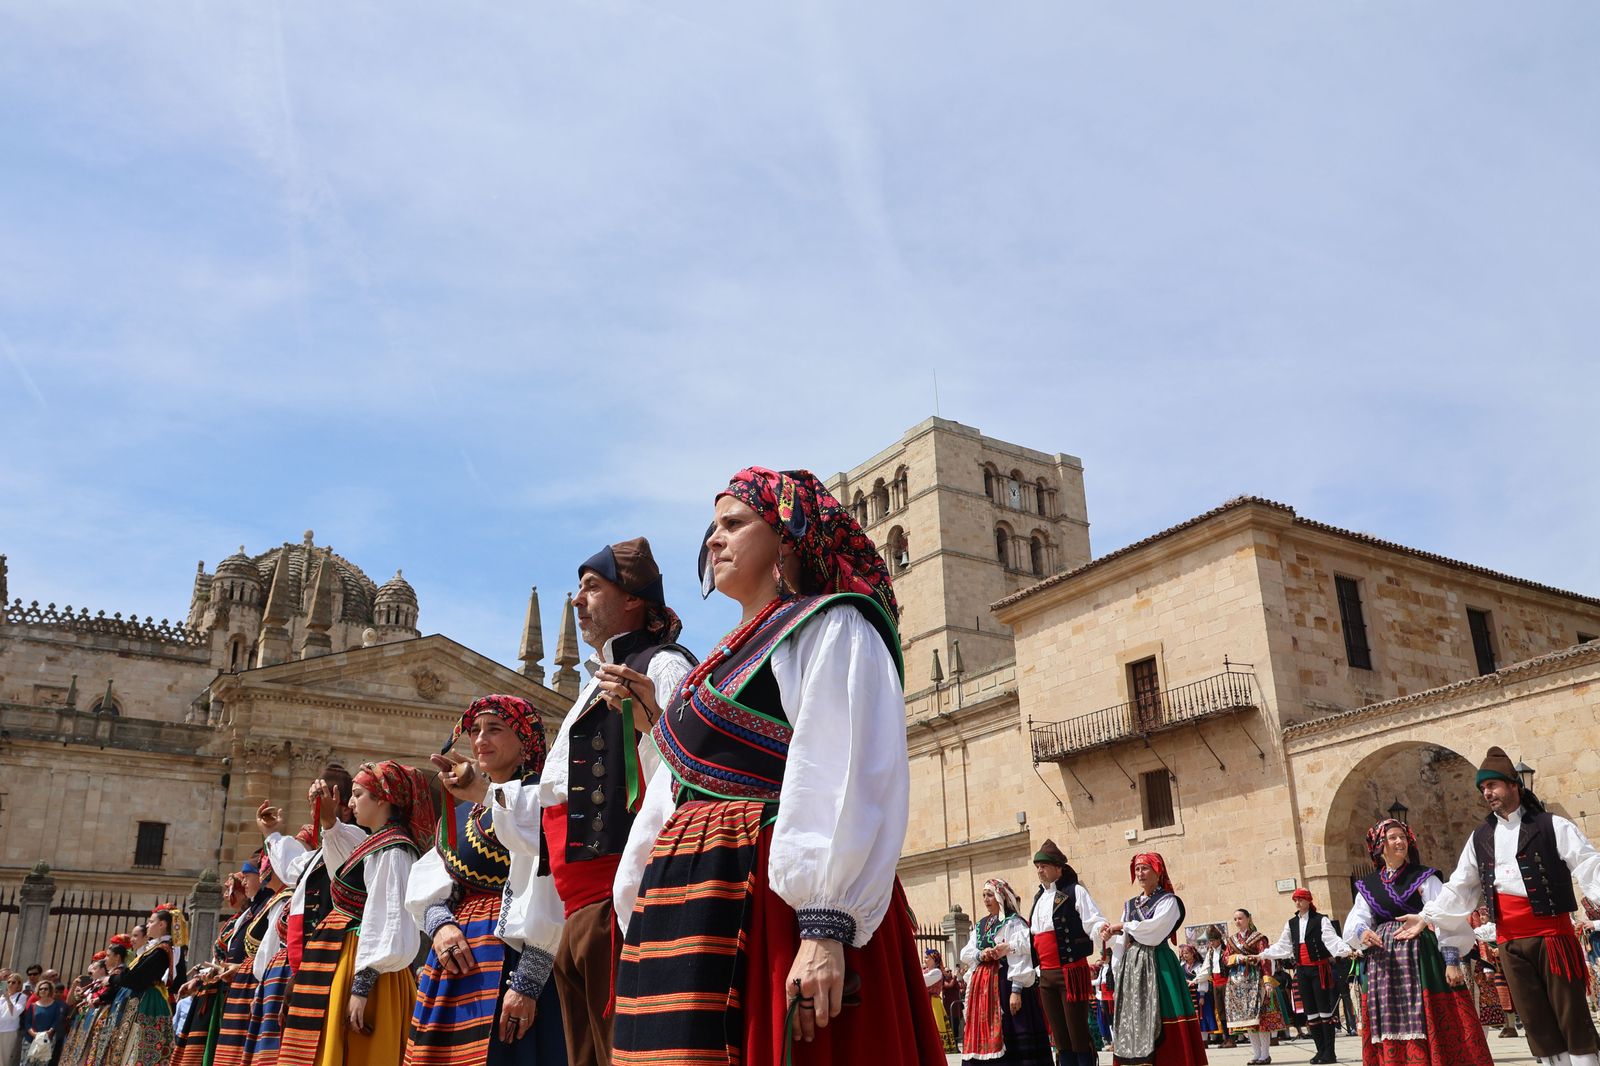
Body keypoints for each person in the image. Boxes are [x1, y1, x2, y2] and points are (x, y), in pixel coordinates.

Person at [611, 467, 944, 1064]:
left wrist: (824, 925)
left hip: (773, 906)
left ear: (786, 538)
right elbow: (674, 795)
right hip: (690, 907)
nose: (714, 539)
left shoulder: (831, 626)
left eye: (734, 524)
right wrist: (636, 900)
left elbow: (841, 773)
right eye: (712, 527)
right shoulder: (719, 658)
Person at [524, 537, 693, 1066]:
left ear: (634, 600)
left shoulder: (661, 666)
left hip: (618, 908)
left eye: (592, 588)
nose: (577, 600)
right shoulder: (595, 682)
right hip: (576, 916)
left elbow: (682, 777)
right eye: (578, 589)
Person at [1399, 746, 1600, 1066]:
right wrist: (1426, 916)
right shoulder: (1480, 838)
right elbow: (1460, 886)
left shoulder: (1552, 826)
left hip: (1552, 937)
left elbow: (1590, 866)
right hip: (1510, 943)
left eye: (1492, 785)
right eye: (1482, 789)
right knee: (1536, 1022)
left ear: (1513, 784)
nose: (1486, 793)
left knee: (1572, 1017)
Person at [408, 695, 565, 1066]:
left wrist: (528, 982)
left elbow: (552, 888)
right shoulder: (463, 810)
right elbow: (432, 879)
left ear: (525, 740)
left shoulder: (539, 799)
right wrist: (440, 924)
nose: (479, 740)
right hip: (456, 962)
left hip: (513, 962)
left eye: (494, 729)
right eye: (475, 730)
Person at [277, 761, 434, 1066]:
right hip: (353, 957)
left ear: (384, 798)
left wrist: (362, 988)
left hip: (372, 971)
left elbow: (389, 921)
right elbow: (340, 864)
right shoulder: (377, 844)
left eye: (358, 794)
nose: (350, 802)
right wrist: (327, 822)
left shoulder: (395, 850)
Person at [1341, 817, 1491, 1066]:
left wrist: (1451, 961)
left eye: (1403, 837)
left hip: (1422, 959)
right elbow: (1358, 919)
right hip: (1384, 966)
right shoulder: (1368, 885)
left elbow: (1446, 917)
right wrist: (1363, 933)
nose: (1400, 841)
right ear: (1380, 845)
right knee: (1390, 1020)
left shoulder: (1424, 877)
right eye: (1393, 838)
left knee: (1429, 1016)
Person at [1103, 853, 1207, 1066]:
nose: (1140, 874)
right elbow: (1123, 941)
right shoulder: (1130, 905)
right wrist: (1111, 938)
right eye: (1137, 869)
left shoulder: (1169, 901)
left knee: (1164, 1013)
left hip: (1159, 963)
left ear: (1158, 872)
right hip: (1132, 967)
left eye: (1145, 869)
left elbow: (1155, 932)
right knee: (1134, 1017)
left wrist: (1123, 926)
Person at [261, 765, 358, 979]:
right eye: (314, 802)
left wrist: (329, 822)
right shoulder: (318, 855)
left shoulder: (355, 840)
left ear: (346, 808)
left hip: (337, 958)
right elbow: (290, 868)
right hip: (309, 960)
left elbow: (339, 847)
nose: (315, 809)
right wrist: (271, 834)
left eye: (323, 799)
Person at [1029, 839, 1107, 1066]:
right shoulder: (1039, 898)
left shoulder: (1074, 891)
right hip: (1046, 976)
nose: (1040, 871)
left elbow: (1093, 920)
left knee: (1078, 1034)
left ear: (1058, 867)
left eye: (1043, 866)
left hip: (1070, 972)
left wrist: (1100, 930)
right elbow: (1034, 936)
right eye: (1037, 867)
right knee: (1060, 1037)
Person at [959, 878, 1051, 1065]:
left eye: (990, 895)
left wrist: (1016, 990)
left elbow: (1022, 956)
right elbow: (966, 952)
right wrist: (980, 954)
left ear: (1000, 896)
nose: (986, 899)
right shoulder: (981, 925)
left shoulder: (1013, 922)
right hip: (983, 992)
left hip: (1005, 986)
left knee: (1014, 1032)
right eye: (984, 895)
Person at [1257, 889, 1353, 1064]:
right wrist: (1263, 954)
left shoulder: (1320, 920)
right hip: (1302, 972)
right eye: (1296, 900)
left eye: (1301, 899)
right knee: (1311, 1013)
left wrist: (1346, 950)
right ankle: (1320, 1051)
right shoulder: (1291, 923)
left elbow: (1332, 940)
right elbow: (1283, 946)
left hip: (1319, 970)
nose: (1298, 902)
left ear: (1308, 901)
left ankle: (1329, 1053)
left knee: (1325, 1011)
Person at [102, 907, 180, 1066]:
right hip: (141, 997)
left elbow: (136, 977)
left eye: (151, 921)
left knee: (140, 1046)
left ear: (162, 925)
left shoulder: (161, 950)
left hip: (148, 1000)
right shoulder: (155, 948)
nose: (148, 925)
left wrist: (112, 980)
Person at [1222, 911, 1277, 1065]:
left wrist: (1267, 981)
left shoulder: (1259, 938)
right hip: (1237, 983)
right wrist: (1238, 958)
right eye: (1235, 919)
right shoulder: (1232, 940)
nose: (1237, 921)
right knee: (1248, 1020)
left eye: (1240, 918)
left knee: (1260, 1018)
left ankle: (1265, 1054)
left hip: (1255, 979)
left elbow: (1265, 959)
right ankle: (1256, 1053)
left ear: (1248, 919)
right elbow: (1225, 958)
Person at [20, 980, 63, 1066]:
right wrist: (33, 1034)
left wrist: (50, 1031)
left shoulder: (56, 1005)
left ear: (50, 990)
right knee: (26, 1063)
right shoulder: (33, 1006)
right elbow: (27, 1022)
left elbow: (57, 1020)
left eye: (46, 989)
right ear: (38, 991)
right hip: (30, 1039)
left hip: (47, 1039)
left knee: (42, 1063)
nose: (43, 990)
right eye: (41, 989)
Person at [923, 950, 955, 1052]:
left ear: (934, 959)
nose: (925, 959)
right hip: (926, 1001)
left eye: (928, 957)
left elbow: (925, 981)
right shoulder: (925, 971)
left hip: (933, 1002)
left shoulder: (937, 972)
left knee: (935, 1024)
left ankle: (937, 1046)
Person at [2, 972, 26, 1066]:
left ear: (19, 984)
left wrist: (8, 999)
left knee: (5, 1059)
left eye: (13, 982)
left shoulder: (21, 997)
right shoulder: (1, 997)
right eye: (8, 982)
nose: (10, 984)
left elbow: (14, 1014)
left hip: (9, 1031)